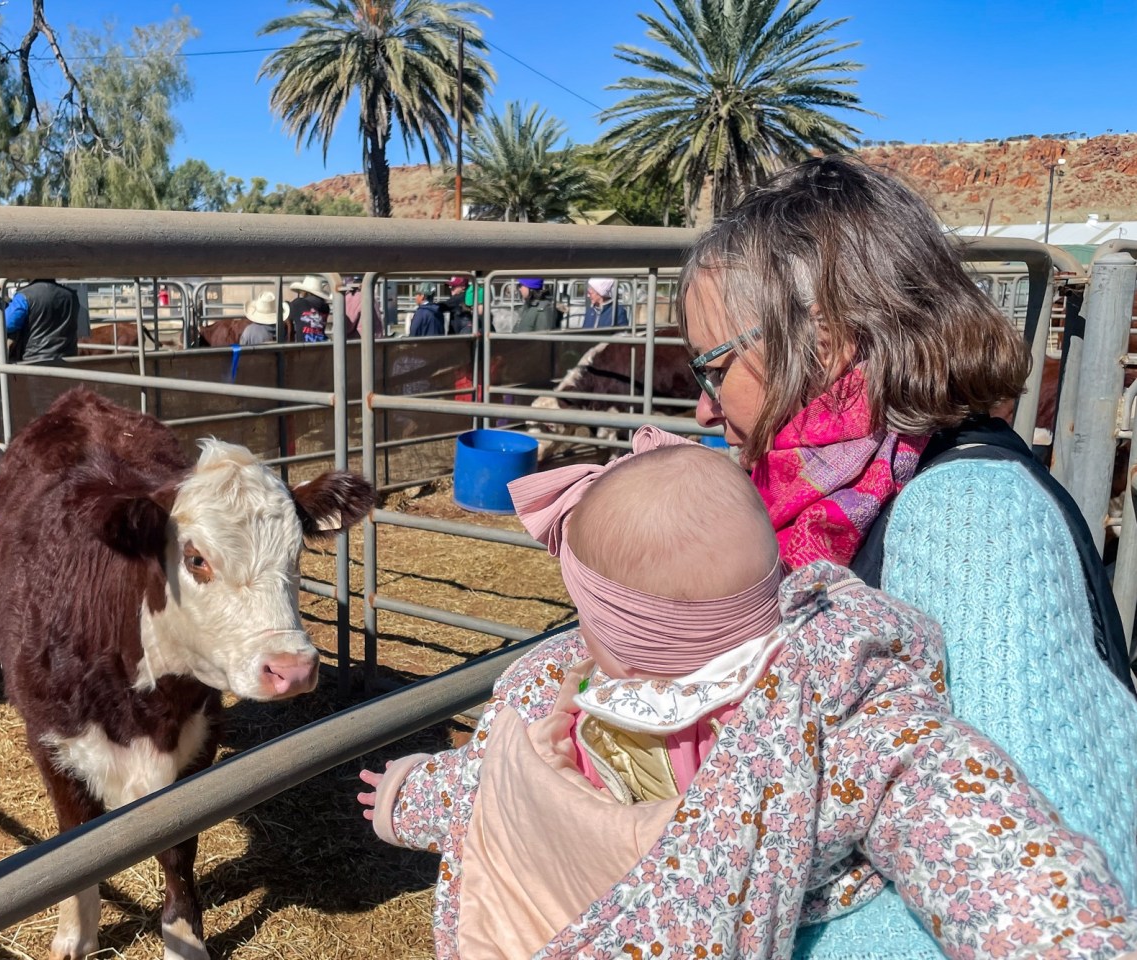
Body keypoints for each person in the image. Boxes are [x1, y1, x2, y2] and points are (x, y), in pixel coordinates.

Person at [359, 430, 1137, 959]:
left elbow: (498, 785)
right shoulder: (845, 701)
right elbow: (978, 837)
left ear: (610, 628)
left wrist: (404, 793)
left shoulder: (576, 698)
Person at [678, 155, 1137, 959]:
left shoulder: (963, 519)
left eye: (714, 369)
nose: (702, 406)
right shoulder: (855, 501)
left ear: (826, 339)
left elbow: (1055, 891)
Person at [4, 278, 81, 363]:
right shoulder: (71, 295)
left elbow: (7, 323)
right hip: (68, 358)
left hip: (35, 358)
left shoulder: (24, 295)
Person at [288, 274, 333, 343]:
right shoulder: (325, 307)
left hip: (304, 347)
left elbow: (286, 314)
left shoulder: (299, 303)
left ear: (305, 291)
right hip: (322, 344)